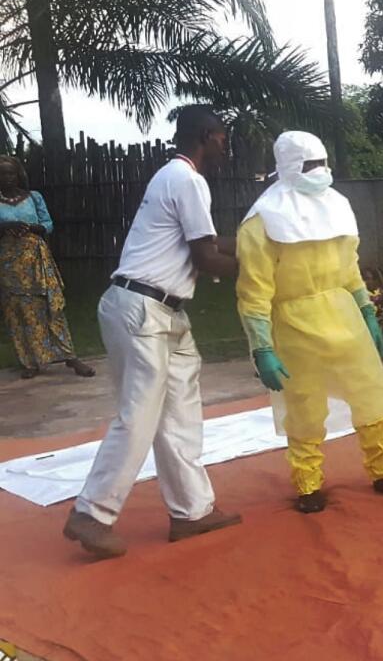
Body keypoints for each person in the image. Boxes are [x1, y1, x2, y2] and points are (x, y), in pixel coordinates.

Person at [65, 106, 242, 559]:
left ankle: (192, 511)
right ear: (206, 136)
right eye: (223, 137)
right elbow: (205, 256)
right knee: (139, 413)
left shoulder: (173, 177)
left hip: (163, 311)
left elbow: (209, 242)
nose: (226, 146)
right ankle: (92, 513)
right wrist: (263, 270)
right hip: (143, 308)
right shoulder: (186, 179)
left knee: (181, 410)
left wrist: (255, 245)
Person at [236, 132, 383, 514]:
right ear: (288, 167)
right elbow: (253, 292)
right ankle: (308, 485)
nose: (320, 172)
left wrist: (367, 311)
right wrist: (262, 347)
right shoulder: (260, 223)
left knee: (372, 393)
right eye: (310, 166)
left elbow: (350, 268)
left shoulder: (337, 206)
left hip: (343, 316)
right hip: (293, 322)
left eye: (323, 164)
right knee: (304, 405)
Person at [0, 156, 94, 379]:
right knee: (19, 311)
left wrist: (34, 227)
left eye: (10, 173)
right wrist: (5, 226)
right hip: (9, 264)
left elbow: (48, 225)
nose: (7, 178)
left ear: (18, 174)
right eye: (2, 174)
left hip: (37, 259)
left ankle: (71, 357)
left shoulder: (34, 197)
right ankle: (31, 361)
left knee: (53, 306)